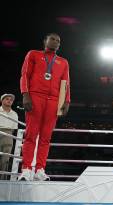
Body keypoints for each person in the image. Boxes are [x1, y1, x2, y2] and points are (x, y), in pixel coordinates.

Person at [18, 33, 70, 181]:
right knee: (31, 134)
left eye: (58, 40)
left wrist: (66, 101)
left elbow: (66, 83)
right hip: (35, 96)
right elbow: (25, 74)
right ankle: (26, 168)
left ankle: (40, 169)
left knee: (46, 137)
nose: (55, 42)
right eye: (52, 39)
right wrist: (25, 94)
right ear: (45, 41)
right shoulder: (33, 54)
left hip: (53, 100)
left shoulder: (63, 62)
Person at [0, 94, 18, 179]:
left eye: (11, 100)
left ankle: (2, 179)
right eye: (7, 99)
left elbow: (14, 128)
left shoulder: (14, 114)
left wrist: (8, 135)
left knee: (5, 159)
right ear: (2, 100)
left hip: (8, 134)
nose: (9, 101)